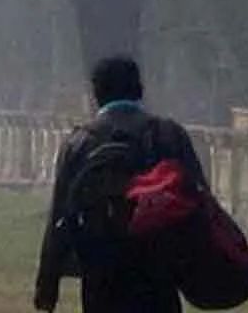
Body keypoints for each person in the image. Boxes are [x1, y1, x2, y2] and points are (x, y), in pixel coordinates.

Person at [34, 56, 208, 313]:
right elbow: (200, 204)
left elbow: (59, 218)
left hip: (100, 274)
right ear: (139, 89)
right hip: (159, 272)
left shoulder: (80, 143)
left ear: (96, 93)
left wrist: (47, 285)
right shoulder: (168, 136)